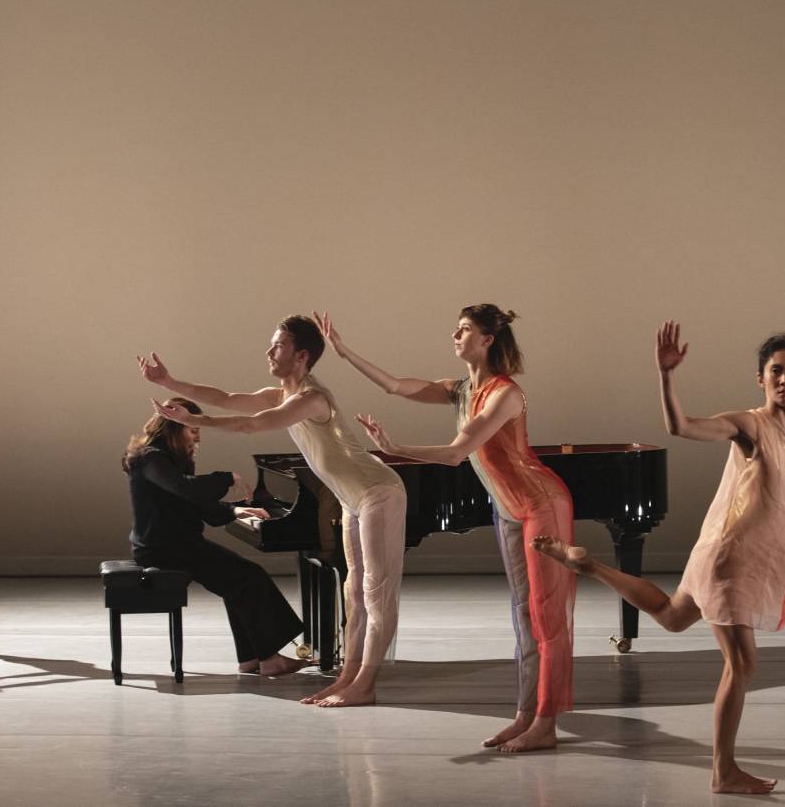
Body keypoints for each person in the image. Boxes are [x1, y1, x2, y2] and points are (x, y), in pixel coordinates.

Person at [533, 322, 785, 793]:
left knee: (672, 616)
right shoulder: (750, 424)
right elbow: (682, 426)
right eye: (776, 371)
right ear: (761, 379)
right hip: (731, 558)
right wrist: (666, 376)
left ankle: (588, 565)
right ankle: (723, 769)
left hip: (730, 554)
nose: (784, 379)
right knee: (743, 665)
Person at [330, 305, 575, 753]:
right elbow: (396, 385)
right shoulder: (461, 390)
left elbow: (458, 452)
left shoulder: (506, 394)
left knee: (544, 617)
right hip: (508, 509)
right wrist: (345, 353)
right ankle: (525, 716)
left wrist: (395, 448)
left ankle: (545, 722)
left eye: (463, 330)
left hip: (542, 505)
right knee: (523, 617)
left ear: (487, 340)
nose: (454, 336)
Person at [141, 315, 407, 707]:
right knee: (354, 593)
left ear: (301, 356)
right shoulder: (281, 394)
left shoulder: (311, 399)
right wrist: (169, 383)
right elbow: (228, 399)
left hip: (379, 492)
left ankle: (364, 686)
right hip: (354, 500)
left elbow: (254, 425)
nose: (269, 351)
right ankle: (347, 679)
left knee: (375, 592)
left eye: (278, 346)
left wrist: (193, 420)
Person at [124, 397, 308, 676]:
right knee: (250, 576)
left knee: (238, 581)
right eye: (191, 427)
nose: (197, 434)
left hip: (176, 544)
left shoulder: (169, 459)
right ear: (173, 426)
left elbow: (193, 503)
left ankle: (250, 659)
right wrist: (227, 478)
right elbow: (185, 490)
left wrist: (236, 511)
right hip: (165, 548)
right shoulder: (150, 457)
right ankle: (269, 659)